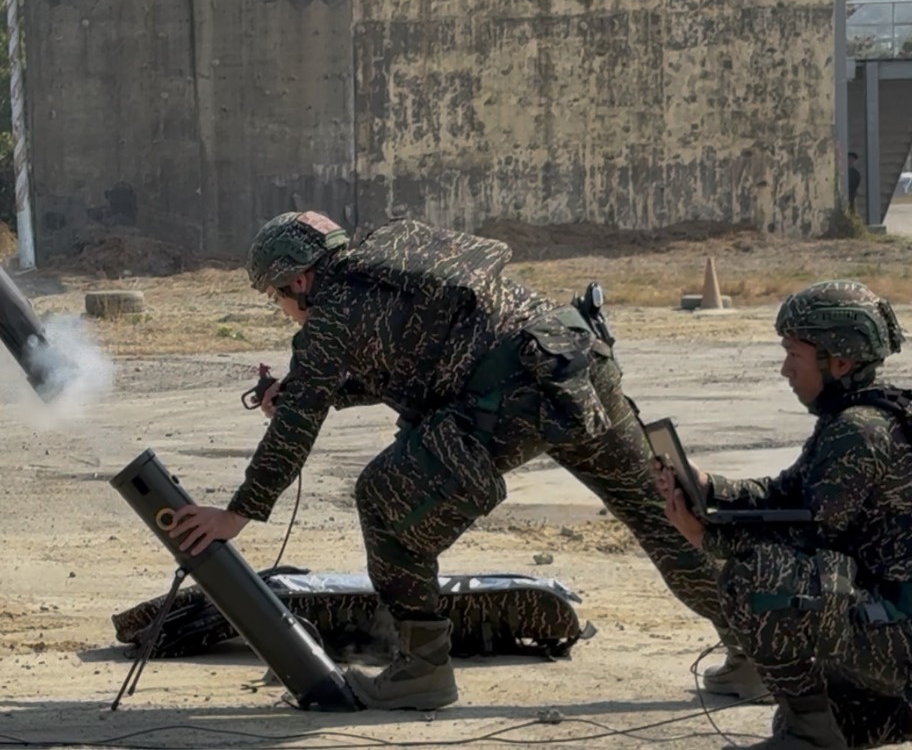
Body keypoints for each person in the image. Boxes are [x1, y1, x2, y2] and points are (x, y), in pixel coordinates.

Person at [166, 211, 736, 711]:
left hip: (515, 397)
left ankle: (422, 670)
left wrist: (236, 514)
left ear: (298, 279)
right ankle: (754, 646)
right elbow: (411, 360)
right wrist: (317, 389)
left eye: (276, 297)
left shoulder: (333, 311)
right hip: (574, 358)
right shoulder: (387, 263)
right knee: (664, 516)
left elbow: (294, 429)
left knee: (384, 499)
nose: (283, 309)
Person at [656, 281, 911, 750]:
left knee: (761, 576)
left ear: (839, 362)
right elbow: (784, 495)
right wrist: (707, 486)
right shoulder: (855, 418)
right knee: (833, 719)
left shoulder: (860, 431)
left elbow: (810, 538)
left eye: (794, 355)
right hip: (893, 627)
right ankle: (833, 724)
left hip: (899, 631)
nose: (785, 370)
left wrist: (705, 535)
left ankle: (810, 736)